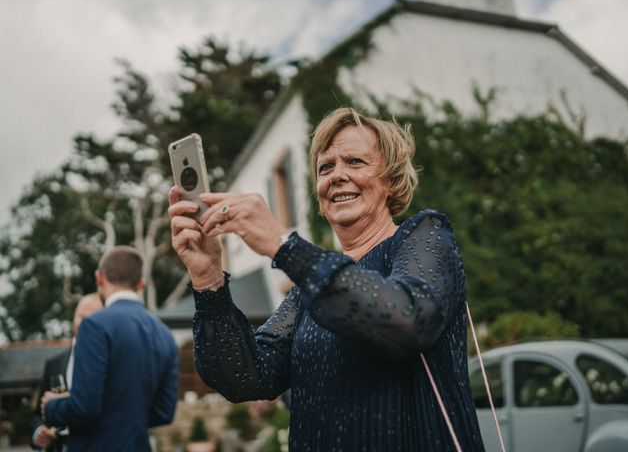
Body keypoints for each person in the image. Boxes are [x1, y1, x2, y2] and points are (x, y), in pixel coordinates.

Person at [169, 108, 485, 451]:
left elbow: (406, 320)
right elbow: (245, 378)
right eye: (326, 167)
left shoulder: (424, 236)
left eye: (355, 162)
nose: (337, 175)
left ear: (391, 180)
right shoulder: (310, 290)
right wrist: (209, 279)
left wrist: (282, 243)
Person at [41, 246, 179, 452]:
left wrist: (51, 406)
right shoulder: (164, 333)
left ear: (99, 278)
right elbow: (164, 412)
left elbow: (84, 408)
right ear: (140, 284)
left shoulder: (95, 325)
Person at [31, 293, 103, 451]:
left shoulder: (110, 363)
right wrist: (39, 432)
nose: (85, 323)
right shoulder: (54, 363)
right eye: (81, 316)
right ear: (73, 320)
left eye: (92, 318)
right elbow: (37, 413)